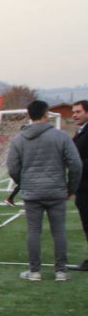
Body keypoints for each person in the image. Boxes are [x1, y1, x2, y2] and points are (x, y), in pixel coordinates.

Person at [8, 100, 82, 281]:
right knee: (59, 231)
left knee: (33, 231)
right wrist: (70, 188)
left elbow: (12, 167)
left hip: (32, 193)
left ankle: (34, 272)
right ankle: (61, 271)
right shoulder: (61, 136)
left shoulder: (19, 139)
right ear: (46, 115)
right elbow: (75, 165)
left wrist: (23, 183)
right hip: (57, 191)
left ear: (29, 115)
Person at [71, 100, 88, 270]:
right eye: (73, 112)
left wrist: (75, 164)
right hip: (81, 186)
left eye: (78, 112)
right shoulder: (80, 131)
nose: (74, 115)